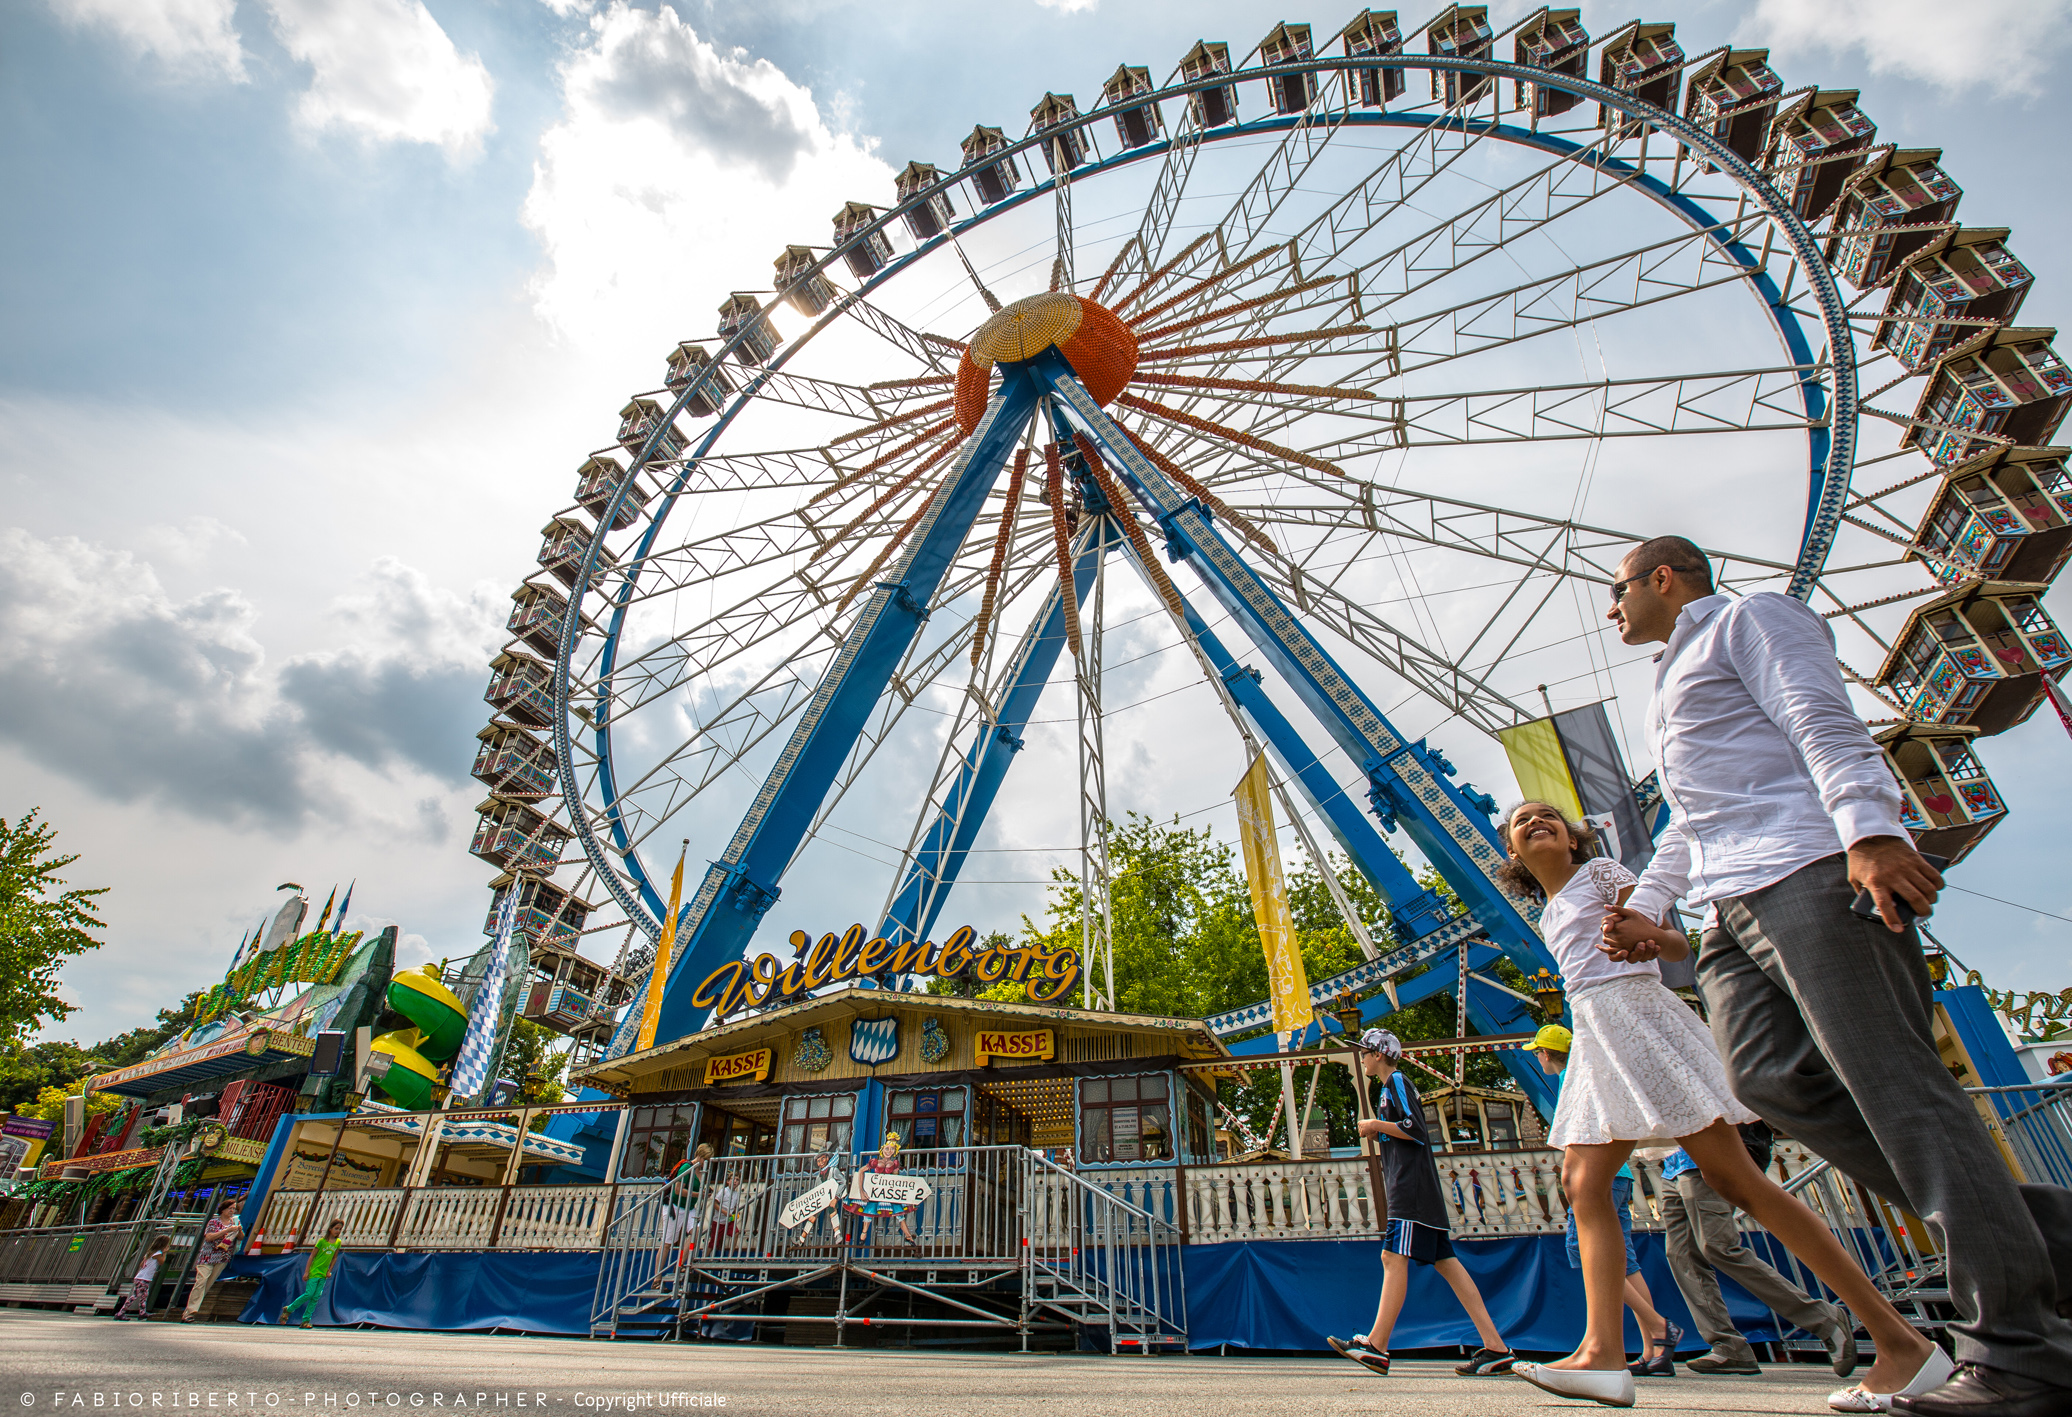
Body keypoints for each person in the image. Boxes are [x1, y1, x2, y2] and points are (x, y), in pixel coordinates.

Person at [1603, 535, 2072, 1416]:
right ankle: (2041, 1233)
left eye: (1618, 588)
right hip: (1728, 903)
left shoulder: (1751, 619)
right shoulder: (1666, 681)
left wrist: (1871, 830)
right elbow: (1691, 817)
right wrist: (1653, 902)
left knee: (1898, 1090)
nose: (1611, 606)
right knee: (1766, 1082)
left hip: (1808, 870)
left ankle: (2022, 1354)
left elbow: (1818, 717)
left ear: (1663, 577)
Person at [1495, 799, 1930, 1409]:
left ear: (1574, 839)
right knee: (1583, 1183)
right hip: (1596, 1028)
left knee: (1737, 1181)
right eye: (1522, 822)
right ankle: (1602, 1355)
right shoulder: (1551, 909)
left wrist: (1648, 936)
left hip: (1637, 1019)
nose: (1535, 821)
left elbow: (1675, 945)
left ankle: (1900, 1341)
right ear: (1513, 853)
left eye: (1548, 816)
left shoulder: (1601, 874)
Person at [1327, 1027, 1515, 1378]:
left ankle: (1377, 1346)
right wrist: (1380, 1130)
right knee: (1448, 1264)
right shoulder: (1393, 1086)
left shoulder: (1396, 1082)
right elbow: (1407, 1132)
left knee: (1392, 1257)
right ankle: (1497, 1349)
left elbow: (1414, 1129)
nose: (1361, 1058)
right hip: (1419, 1188)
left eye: (1364, 1052)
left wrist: (1375, 1124)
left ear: (1379, 1054)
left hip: (1410, 1189)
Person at [1529, 1023, 1686, 1377]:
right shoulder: (1582, 1074)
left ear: (1546, 1053)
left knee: (1587, 1252)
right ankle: (1653, 1352)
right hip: (1621, 1175)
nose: (1537, 1058)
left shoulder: (1571, 1080)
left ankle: (1659, 1326)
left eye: (1537, 1052)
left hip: (1599, 1177)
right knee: (1625, 1261)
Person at [1653, 1132, 1854, 1376]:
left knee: (1718, 1247)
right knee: (1681, 1255)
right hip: (1673, 1166)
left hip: (1706, 1155)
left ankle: (1824, 1319)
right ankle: (1728, 1346)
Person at [843, 1136, 919, 1247]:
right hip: (875, 1190)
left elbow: (895, 1179)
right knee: (869, 1211)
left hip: (888, 1191)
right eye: (887, 1148)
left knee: (899, 1212)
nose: (889, 1151)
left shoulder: (894, 1164)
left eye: (892, 1149)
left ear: (895, 1151)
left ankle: (908, 1237)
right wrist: (862, 1191)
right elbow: (861, 1171)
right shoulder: (875, 1162)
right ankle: (863, 1235)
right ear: (882, 1149)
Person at [181, 1199, 244, 1322]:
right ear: (223, 1209)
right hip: (208, 1256)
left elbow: (241, 1237)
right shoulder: (214, 1222)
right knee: (201, 1281)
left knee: (208, 1284)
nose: (232, 1211)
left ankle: (189, 1312)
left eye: (234, 1209)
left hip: (223, 1256)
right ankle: (191, 1310)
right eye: (230, 1208)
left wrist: (239, 1230)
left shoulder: (235, 1221)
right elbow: (209, 1237)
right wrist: (226, 1230)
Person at [279, 1219, 344, 1329]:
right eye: (336, 1228)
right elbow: (312, 1256)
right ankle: (289, 1309)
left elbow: (334, 1257)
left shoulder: (338, 1242)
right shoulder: (322, 1242)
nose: (338, 1231)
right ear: (330, 1229)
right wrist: (307, 1272)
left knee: (315, 1297)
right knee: (309, 1294)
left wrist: (329, 1270)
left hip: (323, 1274)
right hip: (315, 1271)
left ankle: (306, 1320)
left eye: (340, 1229)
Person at [112, 1236, 170, 1320]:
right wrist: (165, 1253)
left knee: (144, 1296)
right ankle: (120, 1313)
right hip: (144, 1278)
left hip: (142, 1277)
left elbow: (142, 1264)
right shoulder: (158, 1253)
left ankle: (142, 1312)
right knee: (135, 1296)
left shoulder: (150, 1253)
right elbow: (162, 1262)